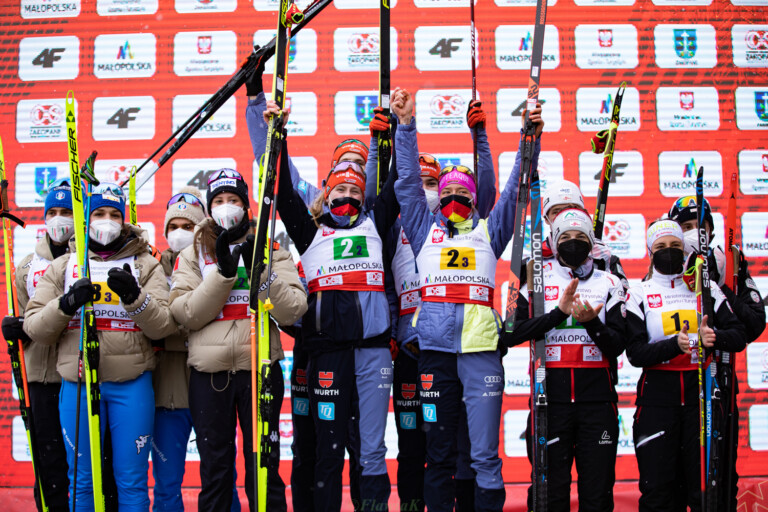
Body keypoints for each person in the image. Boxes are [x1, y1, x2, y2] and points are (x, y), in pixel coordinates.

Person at [393, 86, 542, 512]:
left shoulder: (489, 233)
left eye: (463, 196)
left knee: (483, 458)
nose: (455, 201)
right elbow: (406, 183)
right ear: (438, 199)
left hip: (480, 353)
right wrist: (406, 126)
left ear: (474, 201)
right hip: (435, 353)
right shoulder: (423, 229)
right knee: (437, 456)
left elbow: (516, 187)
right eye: (448, 195)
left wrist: (528, 138)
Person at [271, 94, 400, 509]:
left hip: (373, 354)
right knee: (327, 453)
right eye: (339, 188)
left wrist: (392, 135)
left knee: (371, 452)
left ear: (364, 196)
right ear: (326, 193)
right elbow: (283, 189)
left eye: (354, 189)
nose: (347, 195)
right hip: (326, 356)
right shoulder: (310, 231)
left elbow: (396, 186)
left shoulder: (376, 224)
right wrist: (280, 137)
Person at [23, 183, 177, 512]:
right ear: (86, 219)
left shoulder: (144, 263)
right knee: (82, 483)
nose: (106, 221)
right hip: (77, 384)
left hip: (131, 383)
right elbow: (35, 327)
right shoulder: (66, 265)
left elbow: (164, 324)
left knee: (131, 483)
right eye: (99, 214)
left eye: (114, 214)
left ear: (124, 220)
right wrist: (65, 304)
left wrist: (136, 299)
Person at [169, 169, 307, 512]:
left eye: (234, 200)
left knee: (263, 469)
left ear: (246, 206)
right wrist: (224, 276)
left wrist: (261, 271)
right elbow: (185, 314)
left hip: (259, 369)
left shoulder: (268, 244)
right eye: (219, 201)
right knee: (215, 471)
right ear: (209, 206)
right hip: (208, 374)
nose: (226, 207)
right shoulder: (193, 254)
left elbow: (293, 309)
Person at [382, 99, 495, 512]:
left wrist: (479, 137)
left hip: (464, 348)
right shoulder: (399, 227)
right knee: (423, 443)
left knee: (469, 445)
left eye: (438, 184)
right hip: (414, 349)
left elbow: (487, 190)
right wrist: (401, 127)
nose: (433, 192)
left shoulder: (469, 226)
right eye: (429, 185)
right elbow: (386, 290)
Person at [501, 208, 627, 511]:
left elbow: (619, 345)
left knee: (596, 494)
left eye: (580, 237)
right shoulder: (532, 275)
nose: (573, 243)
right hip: (550, 402)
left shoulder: (609, 280)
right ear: (554, 241)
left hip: (597, 403)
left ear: (591, 242)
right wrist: (558, 313)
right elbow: (509, 333)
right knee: (549, 494)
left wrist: (591, 323)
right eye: (566, 237)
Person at [625, 219, 746, 512]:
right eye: (661, 247)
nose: (669, 251)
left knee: (703, 490)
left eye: (676, 246)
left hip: (700, 393)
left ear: (685, 250)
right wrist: (672, 345)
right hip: (658, 397)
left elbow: (739, 335)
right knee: (659, 491)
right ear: (649, 251)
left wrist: (713, 337)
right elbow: (635, 353)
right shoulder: (638, 293)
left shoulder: (705, 289)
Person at [667, 196, 765, 510]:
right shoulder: (665, 263)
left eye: (701, 226)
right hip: (677, 384)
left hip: (720, 379)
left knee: (719, 476)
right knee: (675, 477)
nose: (695, 233)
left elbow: (753, 324)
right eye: (686, 227)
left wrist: (714, 283)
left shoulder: (728, 261)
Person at [152, 187, 245, 511]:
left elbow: (185, 317)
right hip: (170, 392)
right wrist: (190, 321)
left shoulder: (214, 257)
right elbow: (162, 323)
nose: (181, 234)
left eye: (189, 227)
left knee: (222, 474)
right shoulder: (153, 267)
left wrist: (189, 319)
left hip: (212, 380)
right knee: (167, 483)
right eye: (173, 226)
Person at [1, 179, 73, 512]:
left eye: (67, 212)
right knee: (48, 463)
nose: (59, 219)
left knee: (87, 464)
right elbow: (25, 318)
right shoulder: (27, 266)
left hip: (77, 373)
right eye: (53, 212)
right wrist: (14, 329)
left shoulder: (87, 260)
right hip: (40, 377)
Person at [541, 180, 629, 290]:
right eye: (557, 212)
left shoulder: (603, 256)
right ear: (546, 219)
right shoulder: (539, 256)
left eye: (571, 209)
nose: (564, 216)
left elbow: (623, 298)